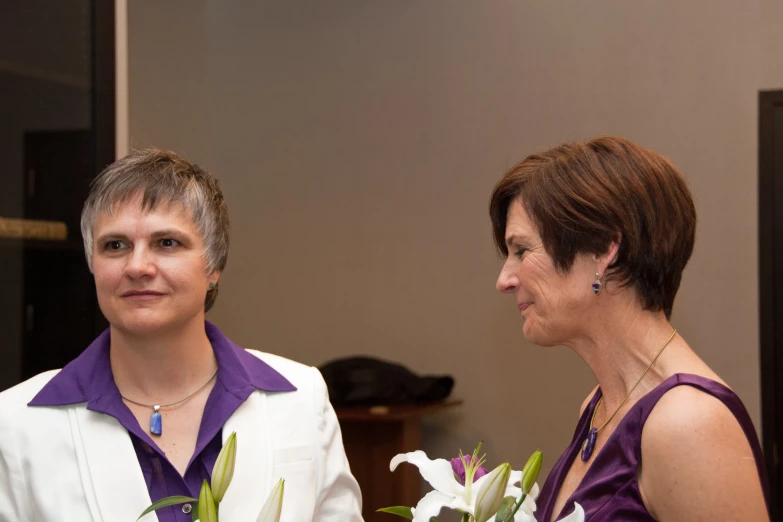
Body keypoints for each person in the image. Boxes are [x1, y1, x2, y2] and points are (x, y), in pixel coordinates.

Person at [0, 148, 363, 521]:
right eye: (115, 245)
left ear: (213, 266)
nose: (137, 266)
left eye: (167, 243)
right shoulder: (14, 423)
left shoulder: (301, 397)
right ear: (92, 264)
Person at [489, 136, 769, 521]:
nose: (504, 279)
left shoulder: (688, 423)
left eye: (522, 250)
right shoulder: (598, 405)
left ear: (604, 249)